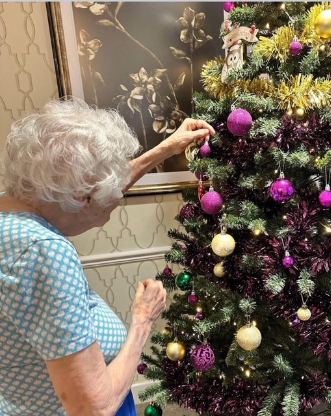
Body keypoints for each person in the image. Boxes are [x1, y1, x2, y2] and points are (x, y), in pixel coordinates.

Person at [0, 98, 215, 416]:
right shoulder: (42, 251)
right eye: (112, 198)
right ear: (80, 197)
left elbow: (96, 189)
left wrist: (166, 148)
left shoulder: (14, 209)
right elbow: (94, 408)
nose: (116, 202)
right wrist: (143, 321)